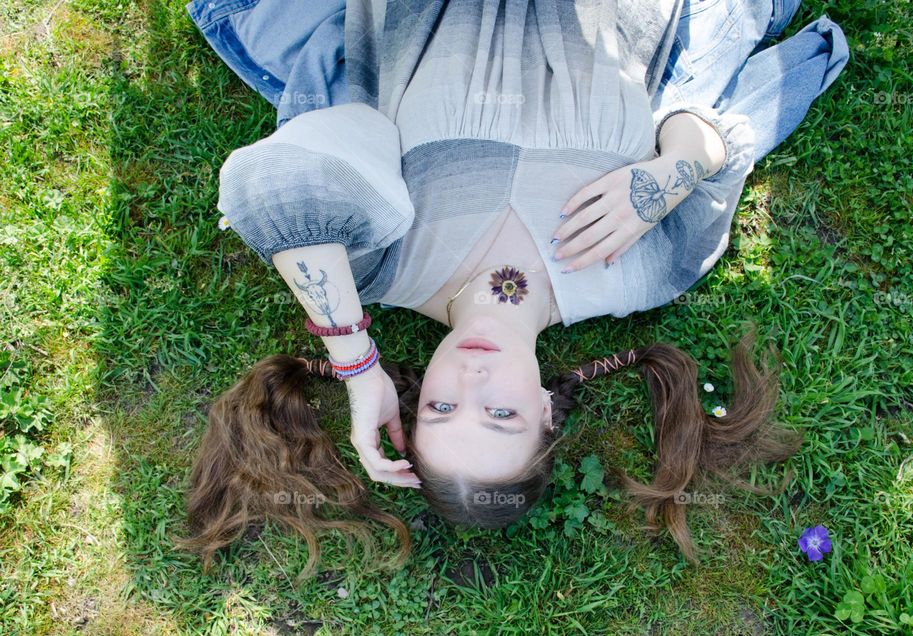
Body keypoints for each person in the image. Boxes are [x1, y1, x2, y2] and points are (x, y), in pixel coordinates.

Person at [178, 0, 847, 581]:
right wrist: (668, 175)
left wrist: (356, 362)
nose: (471, 378)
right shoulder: (646, 274)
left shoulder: (383, 263)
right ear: (548, 415)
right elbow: (709, 125)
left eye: (441, 407)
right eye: (500, 415)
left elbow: (274, 186)